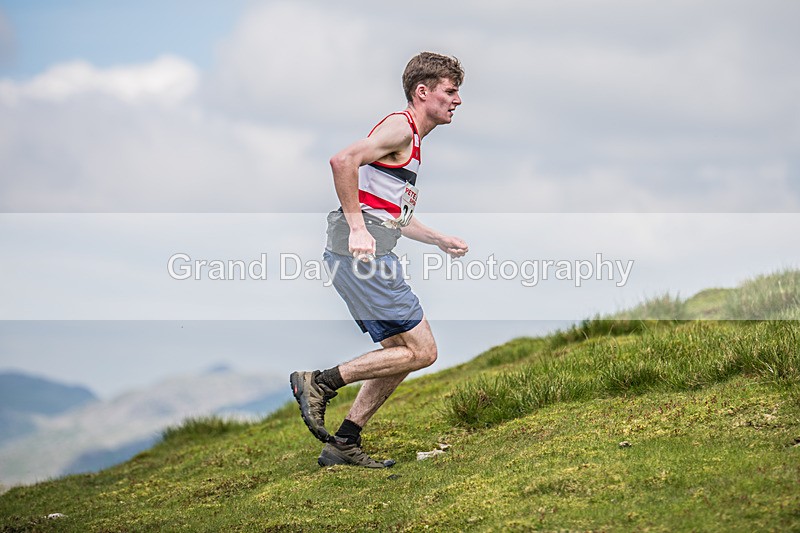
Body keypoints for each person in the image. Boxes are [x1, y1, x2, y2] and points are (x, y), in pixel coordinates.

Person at [290, 52, 468, 468]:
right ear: (422, 92)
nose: (457, 100)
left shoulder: (411, 141)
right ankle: (319, 382)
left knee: (399, 353)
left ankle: (344, 443)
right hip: (361, 256)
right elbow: (342, 161)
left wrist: (438, 238)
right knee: (423, 352)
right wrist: (356, 228)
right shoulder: (400, 127)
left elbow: (390, 216)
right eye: (450, 91)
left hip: (364, 253)